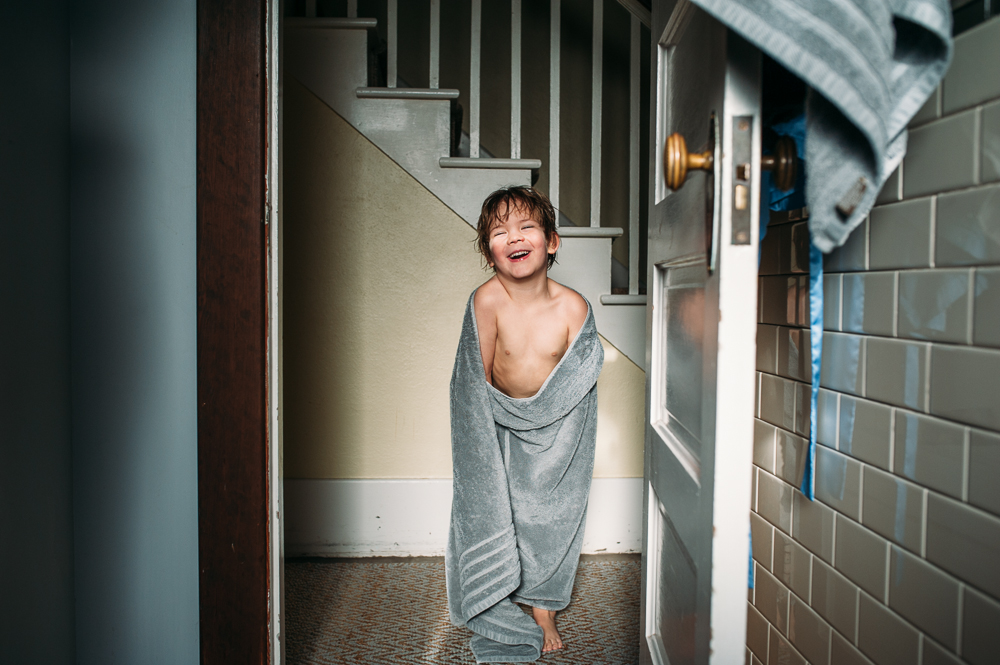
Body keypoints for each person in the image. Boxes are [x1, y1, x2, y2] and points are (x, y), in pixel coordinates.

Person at [446, 186, 603, 662]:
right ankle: (498, 587)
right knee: (504, 509)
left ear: (551, 241)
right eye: (499, 231)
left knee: (552, 517)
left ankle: (543, 604)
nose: (513, 237)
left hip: (558, 430)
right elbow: (473, 381)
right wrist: (483, 449)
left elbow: (580, 384)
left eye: (526, 226)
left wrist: (565, 452)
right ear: (487, 250)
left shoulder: (573, 308)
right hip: (500, 425)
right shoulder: (487, 302)